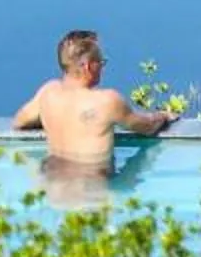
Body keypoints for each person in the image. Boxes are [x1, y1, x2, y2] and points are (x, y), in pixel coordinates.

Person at [13, 28, 178, 171]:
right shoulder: (107, 101)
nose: (102, 68)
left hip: (53, 190)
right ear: (88, 66)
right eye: (100, 62)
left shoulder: (47, 93)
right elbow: (147, 127)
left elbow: (19, 122)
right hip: (92, 192)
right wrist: (163, 116)